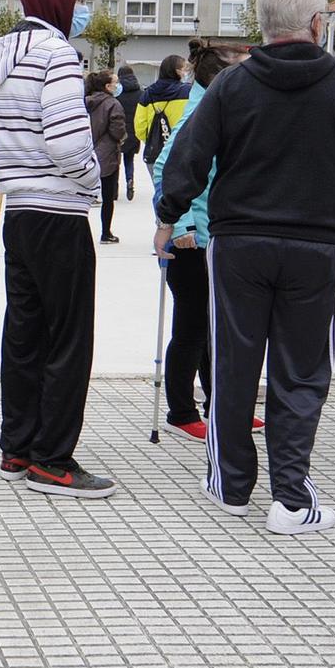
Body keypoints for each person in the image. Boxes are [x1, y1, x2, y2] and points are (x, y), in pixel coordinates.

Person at [156, 0, 335, 535]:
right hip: (315, 246)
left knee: (233, 360)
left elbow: (189, 157)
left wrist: (168, 217)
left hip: (239, 243)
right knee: (302, 368)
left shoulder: (233, 84)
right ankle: (292, 498)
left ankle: (231, 485)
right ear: (318, 24)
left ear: (263, 28)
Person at [0, 0, 113, 499]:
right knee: (69, 338)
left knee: (25, 333)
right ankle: (54, 461)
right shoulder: (58, 56)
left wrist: (18, 175)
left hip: (20, 211)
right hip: (59, 213)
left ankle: (18, 445)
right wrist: (91, 177)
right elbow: (66, 140)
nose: (84, 5)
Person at [149, 39, 258, 441]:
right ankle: (181, 410)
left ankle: (220, 406)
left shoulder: (218, 106)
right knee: (193, 327)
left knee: (214, 328)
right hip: (192, 241)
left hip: (213, 234)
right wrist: (180, 228)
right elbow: (166, 169)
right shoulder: (198, 109)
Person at [84, 70, 127, 244]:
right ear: (108, 86)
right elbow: (118, 129)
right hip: (107, 154)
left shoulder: (83, 102)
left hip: (85, 152)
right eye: (115, 83)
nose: (117, 86)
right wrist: (122, 138)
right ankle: (106, 232)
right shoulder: (112, 104)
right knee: (108, 198)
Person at [133, 53, 192, 174]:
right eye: (184, 69)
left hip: (155, 152)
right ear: (177, 72)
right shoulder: (188, 92)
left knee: (159, 190)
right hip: (182, 151)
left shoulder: (147, 94)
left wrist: (152, 139)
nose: (186, 73)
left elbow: (139, 127)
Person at [115, 65, 142, 201]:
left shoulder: (117, 91)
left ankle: (114, 188)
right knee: (129, 159)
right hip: (134, 131)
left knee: (115, 160)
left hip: (118, 130)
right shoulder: (140, 92)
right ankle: (130, 180)